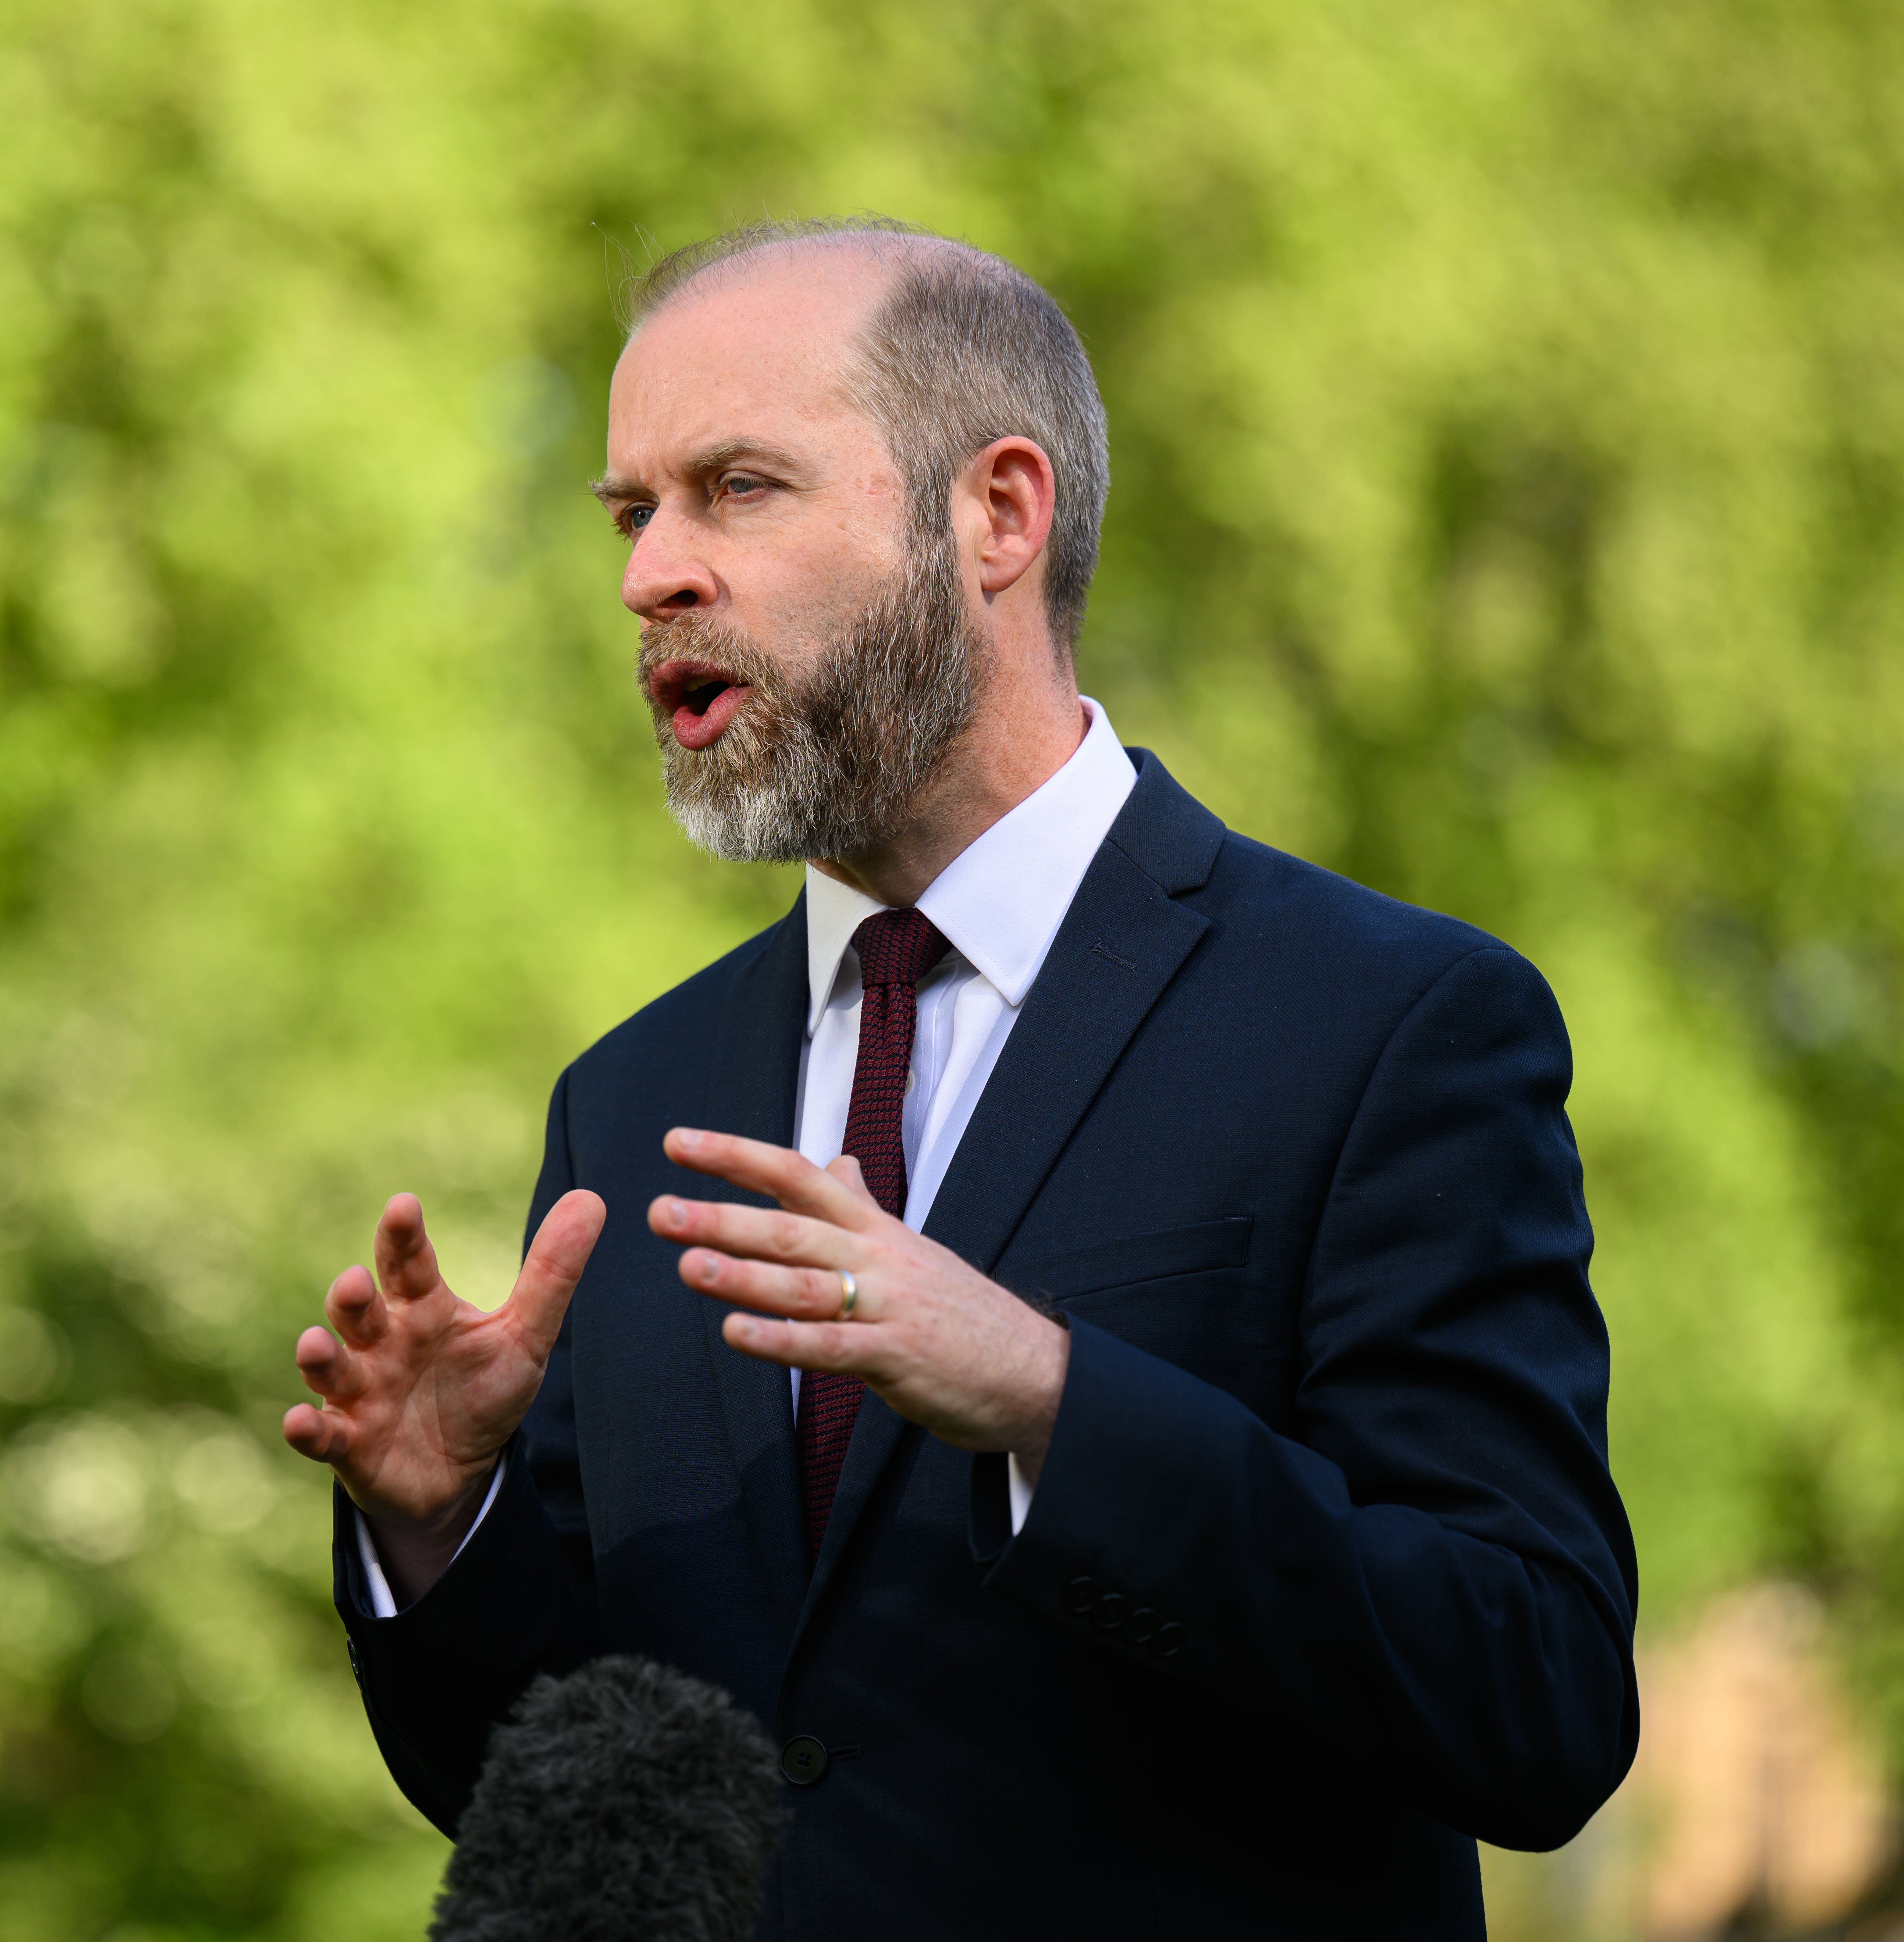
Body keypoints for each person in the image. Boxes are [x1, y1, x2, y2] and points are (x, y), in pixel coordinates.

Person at [279, 218, 1637, 1939]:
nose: (650, 577)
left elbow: (1532, 1693)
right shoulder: (627, 1101)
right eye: (631, 514)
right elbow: (593, 1801)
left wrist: (1053, 1401)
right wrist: (442, 1526)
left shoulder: (1388, 1025)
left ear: (997, 513)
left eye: (737, 488)